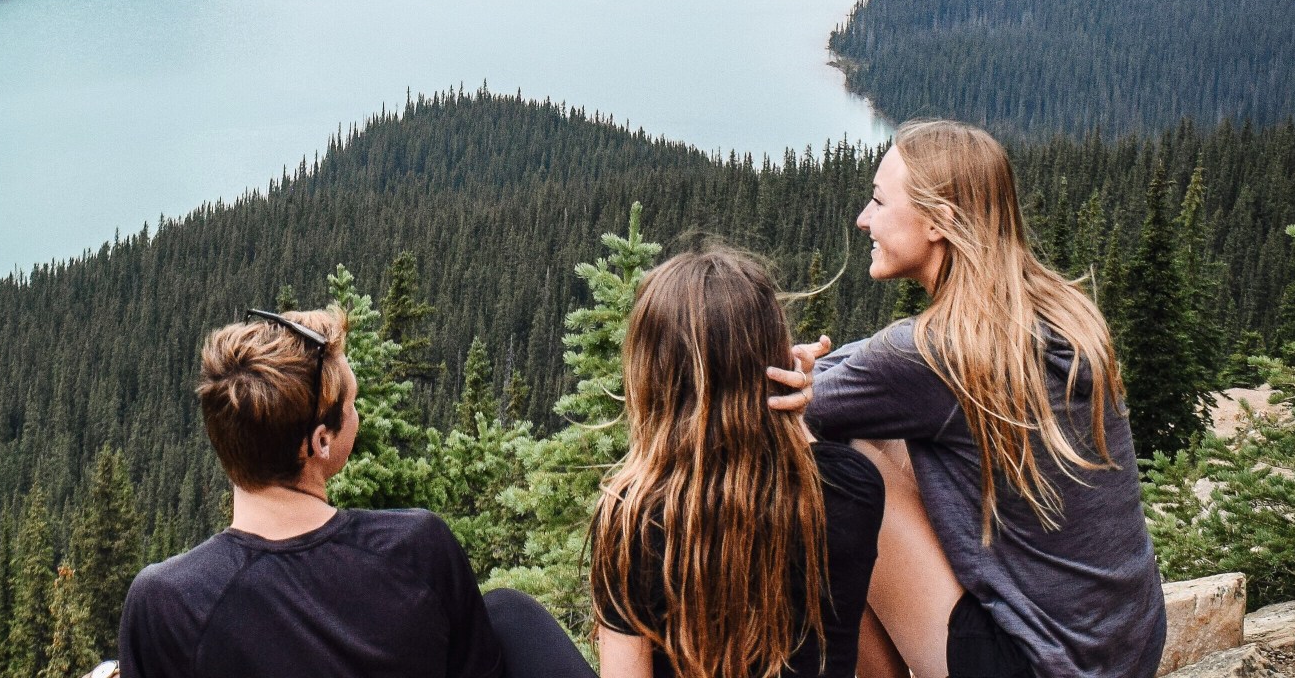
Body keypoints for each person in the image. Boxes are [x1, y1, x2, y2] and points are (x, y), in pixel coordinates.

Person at [768, 120, 1165, 678]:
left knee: (829, 462)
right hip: (1126, 650)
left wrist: (799, 373)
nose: (864, 218)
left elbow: (789, 403)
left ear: (940, 222)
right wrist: (824, 370)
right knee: (887, 435)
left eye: (879, 202)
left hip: (1036, 665)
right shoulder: (1058, 312)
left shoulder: (932, 353)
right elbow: (866, 367)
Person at [116, 304, 592, 678]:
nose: (357, 415)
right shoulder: (415, 548)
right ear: (320, 442)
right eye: (351, 402)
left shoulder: (167, 601)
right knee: (509, 613)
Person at [589, 248, 886, 678]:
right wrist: (791, 411)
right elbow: (810, 457)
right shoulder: (851, 489)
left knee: (510, 614)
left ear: (652, 378)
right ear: (774, 365)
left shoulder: (634, 518)